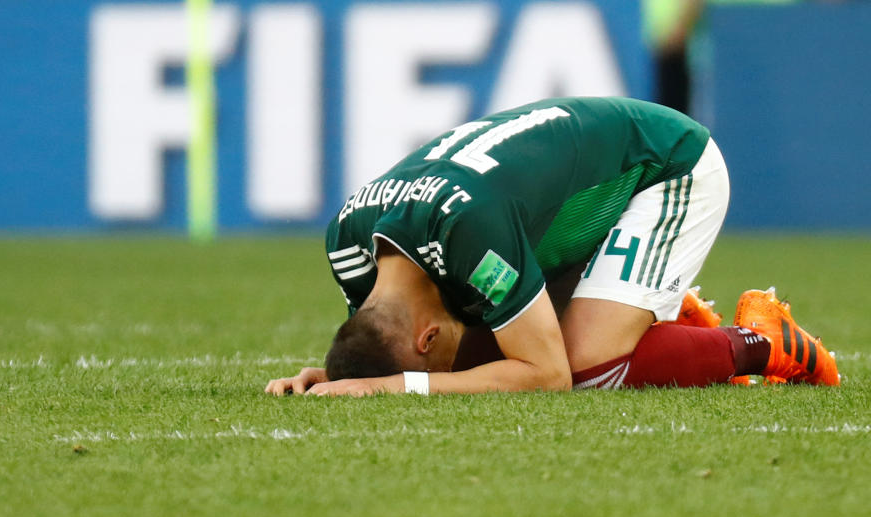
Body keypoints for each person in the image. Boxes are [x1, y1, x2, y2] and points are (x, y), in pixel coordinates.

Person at [265, 97, 839, 396]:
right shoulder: (348, 238)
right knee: (492, 345)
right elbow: (384, 339)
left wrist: (393, 385)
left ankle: (762, 341)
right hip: (553, 211)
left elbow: (547, 374)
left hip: (667, 167)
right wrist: (337, 377)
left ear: (427, 337)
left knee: (587, 365)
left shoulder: (467, 231)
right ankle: (651, 313)